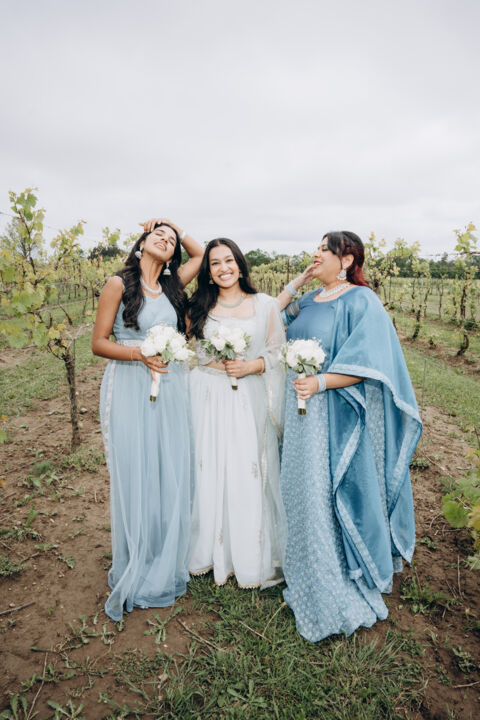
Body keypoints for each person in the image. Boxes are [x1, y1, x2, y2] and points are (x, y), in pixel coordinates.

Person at [276, 231, 421, 642]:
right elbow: (273, 319)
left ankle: (331, 570)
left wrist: (320, 382)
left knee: (323, 487)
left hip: (331, 409)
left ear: (346, 260)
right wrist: (298, 283)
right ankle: (302, 560)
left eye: (325, 249)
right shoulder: (309, 299)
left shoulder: (362, 300)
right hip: (298, 405)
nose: (316, 253)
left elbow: (369, 362)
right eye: (317, 247)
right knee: (299, 485)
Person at [92, 218, 203, 621]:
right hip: (129, 383)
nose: (166, 240)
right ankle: (137, 554)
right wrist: (139, 354)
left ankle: (161, 552)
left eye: (170, 240)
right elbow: (98, 343)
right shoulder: (118, 284)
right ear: (141, 244)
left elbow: (201, 253)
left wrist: (171, 222)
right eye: (158, 234)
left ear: (173, 255)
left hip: (169, 386)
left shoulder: (173, 286)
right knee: (136, 467)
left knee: (166, 465)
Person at [187, 238, 286, 588]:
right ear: (208, 272)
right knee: (208, 464)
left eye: (228, 260)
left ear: (240, 265)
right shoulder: (198, 306)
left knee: (246, 466)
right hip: (207, 393)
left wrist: (251, 366)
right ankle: (206, 549)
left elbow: (277, 352)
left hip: (247, 395)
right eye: (214, 263)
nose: (223, 268)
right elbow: (192, 351)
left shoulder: (266, 305)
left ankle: (247, 554)